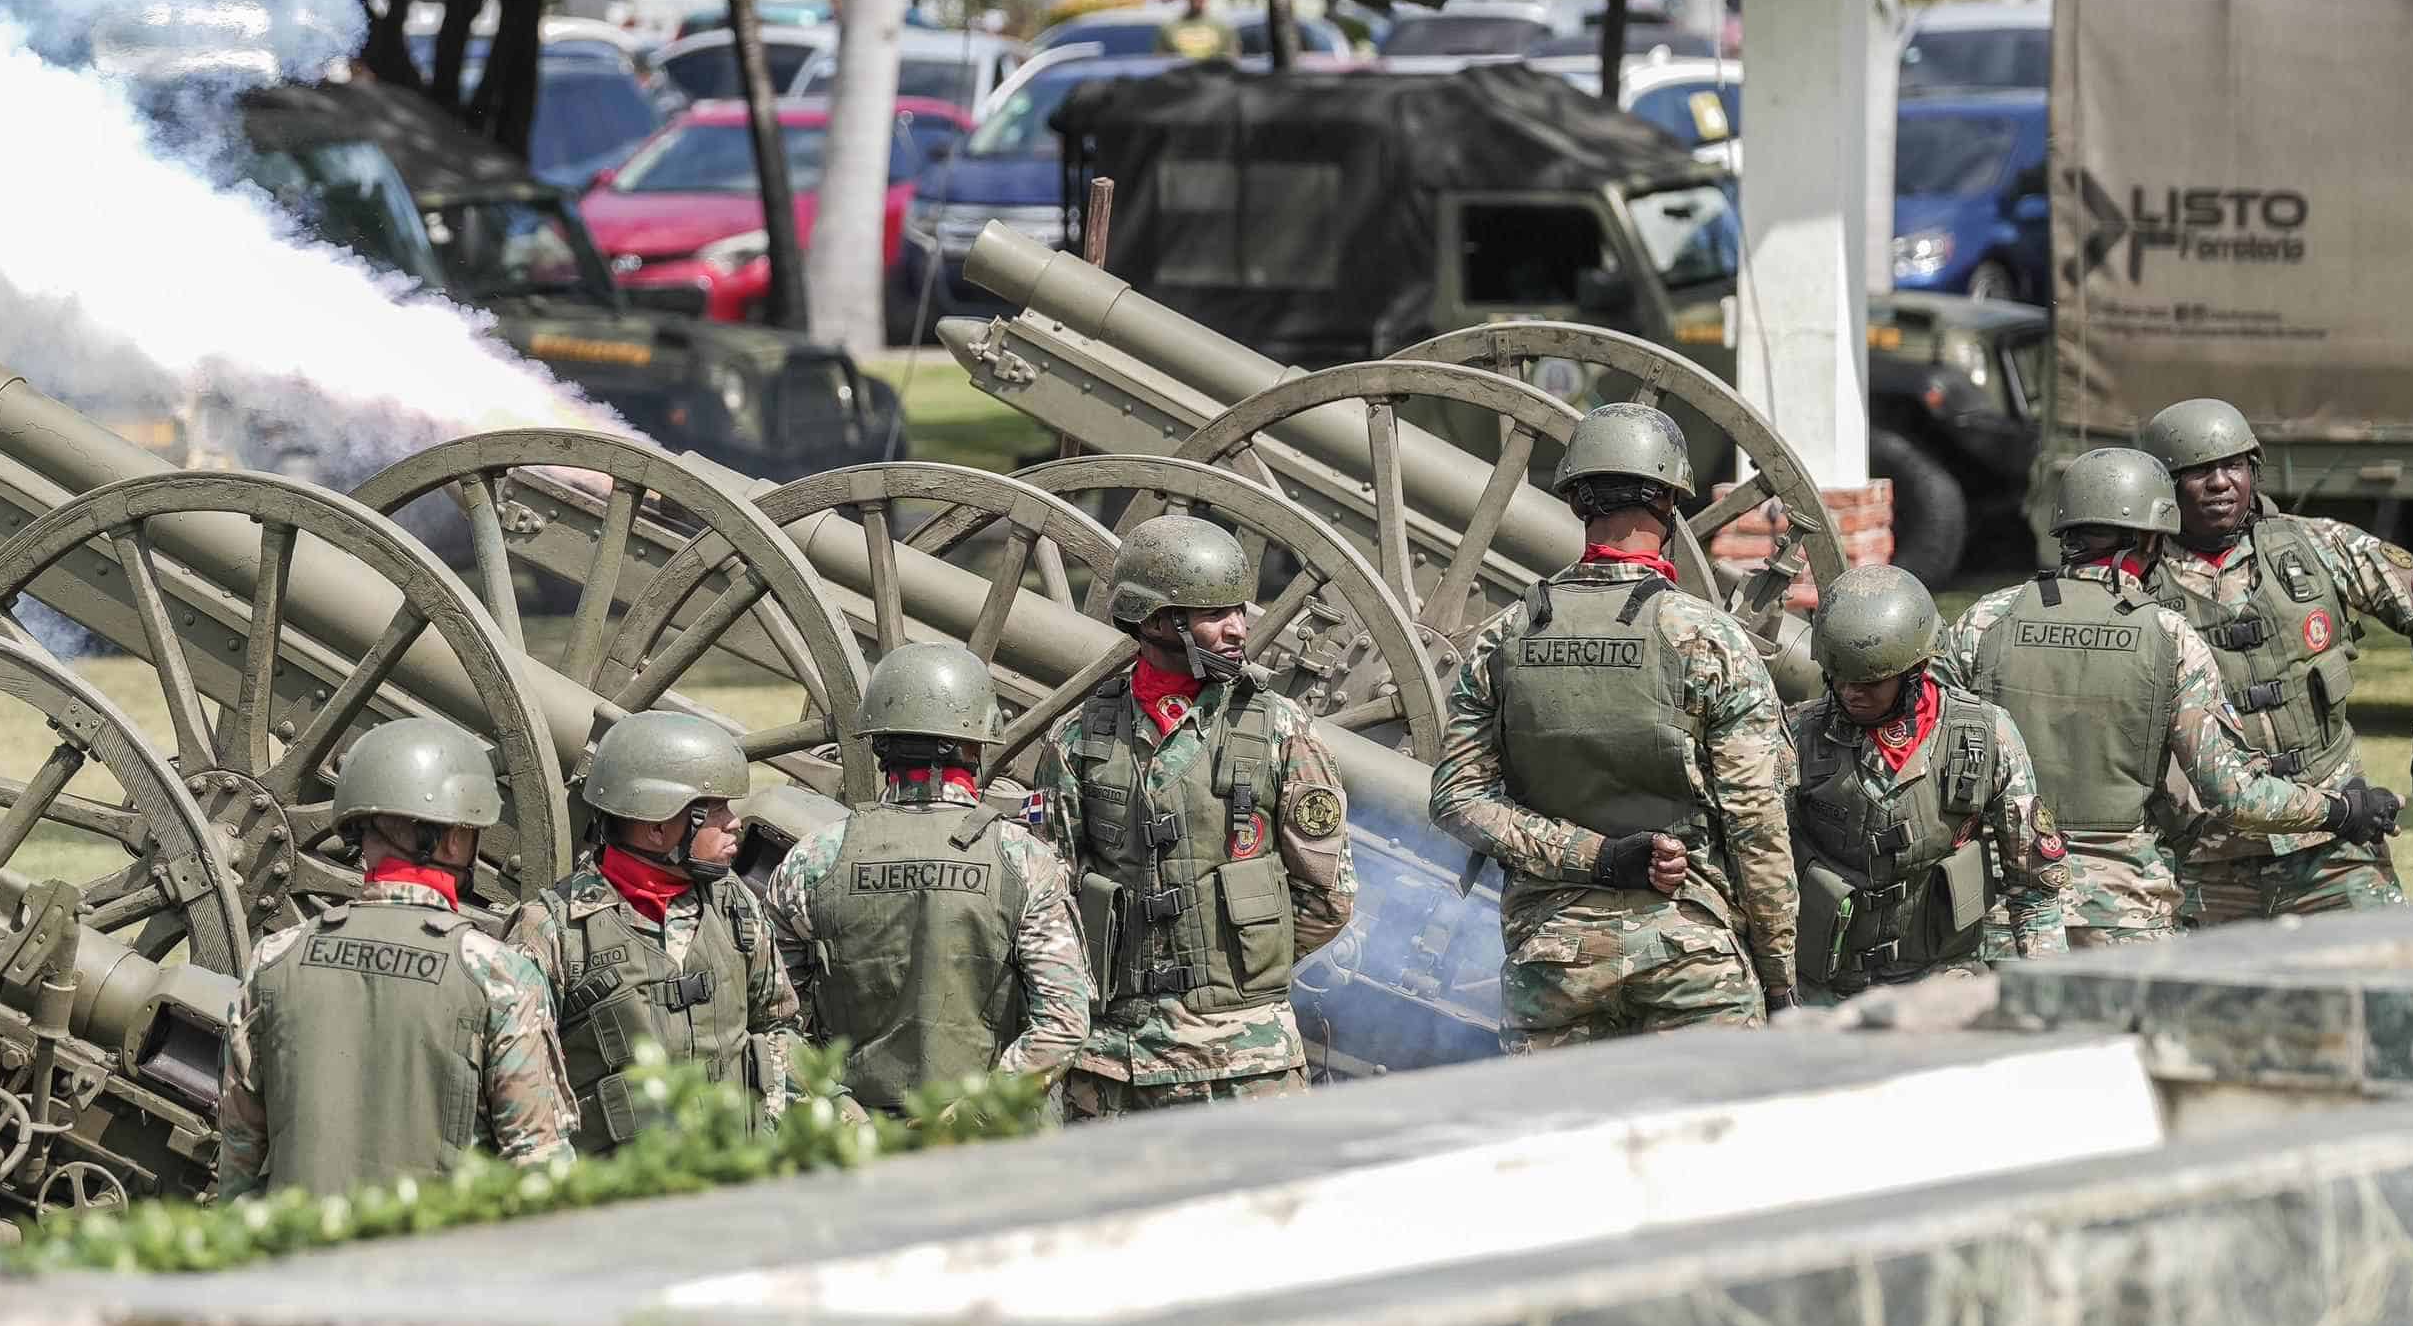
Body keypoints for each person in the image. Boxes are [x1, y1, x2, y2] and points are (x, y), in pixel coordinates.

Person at [1430, 402, 1797, 1040]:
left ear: (1578, 503)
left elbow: (1457, 800)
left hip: (1555, 962)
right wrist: (1780, 976)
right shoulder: (1709, 639)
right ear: (1669, 503)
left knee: (1561, 1141)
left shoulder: (1505, 637)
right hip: (1692, 956)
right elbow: (1756, 821)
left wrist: (1595, 857)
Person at [1935, 447, 2391, 947]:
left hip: (1999, 909)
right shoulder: (2169, 636)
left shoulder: (1985, 621)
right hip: (2125, 915)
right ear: (2151, 538)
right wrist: (2340, 810)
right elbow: (2234, 793)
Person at [1026, 512, 1355, 1111]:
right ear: (1157, 621)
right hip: (1115, 1065)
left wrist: (1243, 963)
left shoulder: (1279, 729)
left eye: (1240, 611)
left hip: (1249, 1062)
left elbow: (1329, 896)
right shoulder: (1078, 740)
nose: (1238, 629)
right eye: (1215, 614)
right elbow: (1046, 901)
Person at [2138, 397, 2413, 925]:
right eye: (2198, 472)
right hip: (2202, 858)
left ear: (2254, 470)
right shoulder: (2133, 584)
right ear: (2164, 485)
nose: (2221, 483)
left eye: (2233, 466)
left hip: (2336, 839)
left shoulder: (2319, 546)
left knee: (2383, 981)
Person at [212, 718, 573, 1199]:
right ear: (452, 840)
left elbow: (239, 1148)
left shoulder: (275, 959)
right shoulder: (501, 976)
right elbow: (540, 1168)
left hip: (297, 1261)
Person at [768, 643, 1090, 1115]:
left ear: (878, 742)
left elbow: (772, 1019)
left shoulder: (812, 861)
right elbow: (1063, 1022)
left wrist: (840, 1113)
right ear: (975, 745)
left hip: (856, 1137)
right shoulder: (1024, 861)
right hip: (991, 1142)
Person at [504, 710, 801, 1149]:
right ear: (659, 825)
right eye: (714, 809)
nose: (734, 822)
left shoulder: (734, 904)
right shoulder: (551, 931)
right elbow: (514, 1085)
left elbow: (778, 1025)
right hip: (617, 1200)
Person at [1786, 565, 2071, 997]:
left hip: (1943, 979)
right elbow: (1759, 863)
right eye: (1839, 678)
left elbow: (2033, 885)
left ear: (1915, 669)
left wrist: (2053, 992)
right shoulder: (1797, 736)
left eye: (1871, 682)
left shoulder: (1985, 734)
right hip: (1824, 988)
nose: (1850, 693)